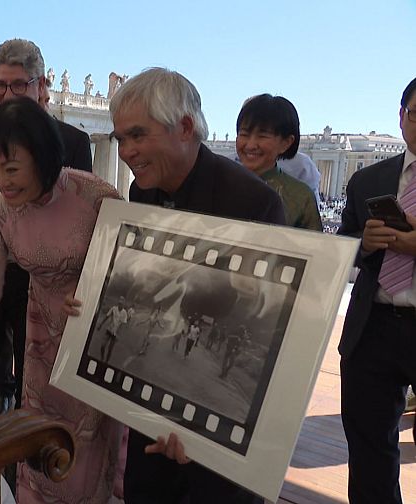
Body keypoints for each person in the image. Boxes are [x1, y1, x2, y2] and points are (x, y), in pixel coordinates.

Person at [107, 67, 285, 504]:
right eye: (120, 139)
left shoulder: (254, 203)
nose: (127, 151)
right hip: (153, 418)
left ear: (184, 127)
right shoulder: (142, 194)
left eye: (137, 135)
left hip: (221, 445)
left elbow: (271, 322)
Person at [0, 97, 123, 503]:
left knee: (88, 449)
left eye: (11, 169)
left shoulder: (95, 197)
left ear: (42, 157)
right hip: (40, 336)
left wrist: (97, 295)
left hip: (93, 334)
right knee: (41, 443)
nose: (1, 181)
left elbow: (126, 270)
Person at [0, 38, 93, 430]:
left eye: (18, 85)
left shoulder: (74, 145)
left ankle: (25, 447)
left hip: (44, 284)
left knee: (37, 376)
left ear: (41, 85)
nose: (7, 95)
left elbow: (92, 235)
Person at [336, 76, 416, 504]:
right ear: (402, 117)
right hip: (373, 328)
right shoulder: (368, 182)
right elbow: (343, 245)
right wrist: (363, 245)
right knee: (369, 452)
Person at [235, 94, 323, 231]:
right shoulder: (216, 183)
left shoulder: (301, 197)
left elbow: (313, 248)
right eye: (244, 134)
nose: (250, 145)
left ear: (286, 143)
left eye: (262, 136)